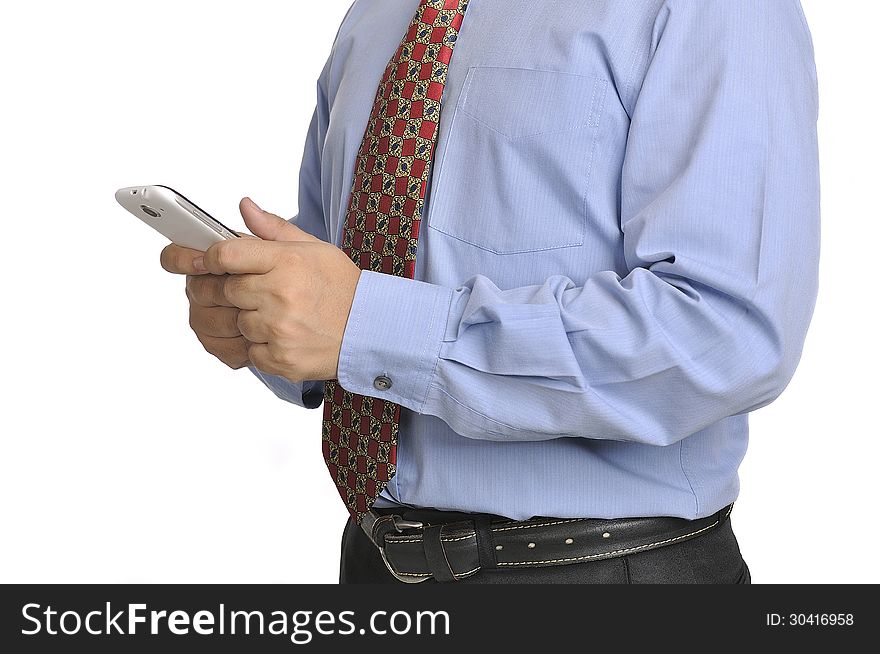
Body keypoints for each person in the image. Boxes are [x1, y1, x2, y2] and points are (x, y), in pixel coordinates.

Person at [160, 0, 819, 584]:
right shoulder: (380, 13)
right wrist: (263, 317)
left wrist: (367, 326)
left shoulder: (719, 9)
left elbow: (728, 333)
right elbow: (345, 279)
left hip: (598, 578)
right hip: (373, 564)